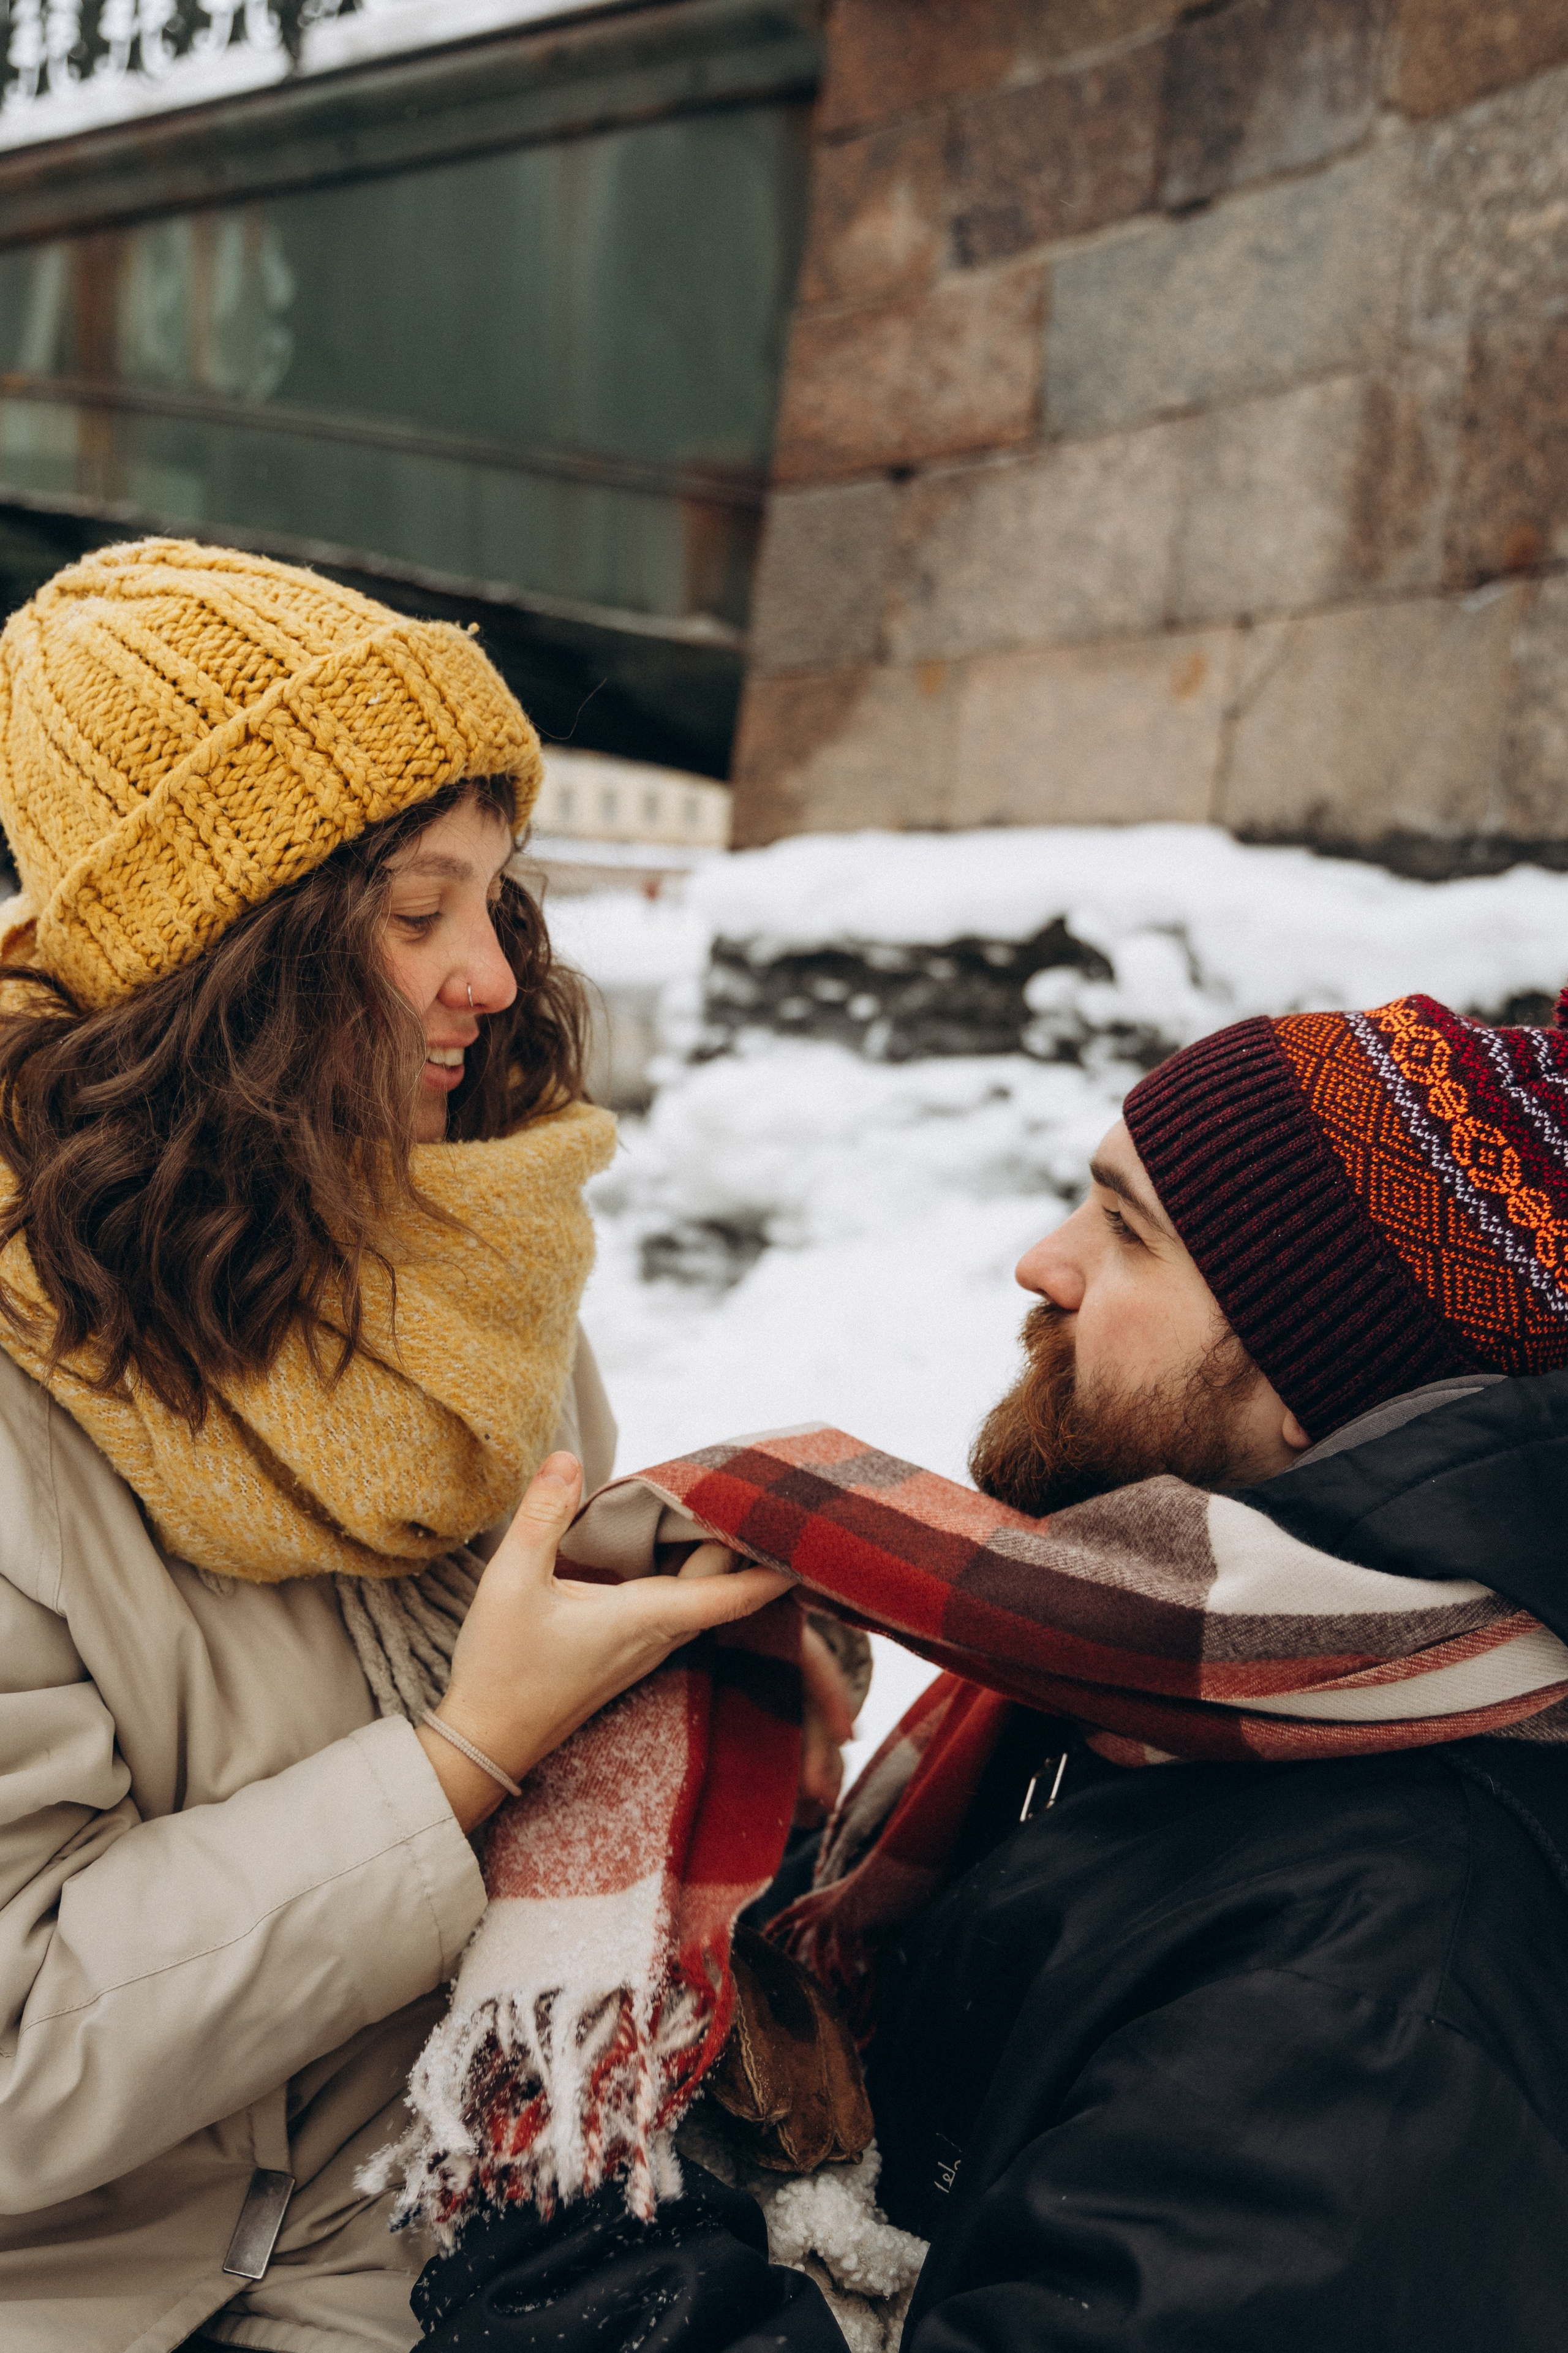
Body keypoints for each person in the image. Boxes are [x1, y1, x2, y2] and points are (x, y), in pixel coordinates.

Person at [417, 991, 1568, 2352]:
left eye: (1127, 1231)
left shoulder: (1376, 2008)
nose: (1042, 1261)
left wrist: (556, 2188)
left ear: (1312, 1379)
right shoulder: (1164, 1676)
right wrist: (747, 1821)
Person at [0, 538, 804, 2353]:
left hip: (444, 2226)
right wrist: (460, 1755)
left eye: (498, 905)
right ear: (224, 955)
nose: (493, 979)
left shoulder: (471, 1278)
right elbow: (19, 2050)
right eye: (414, 912)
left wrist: (669, 1633)